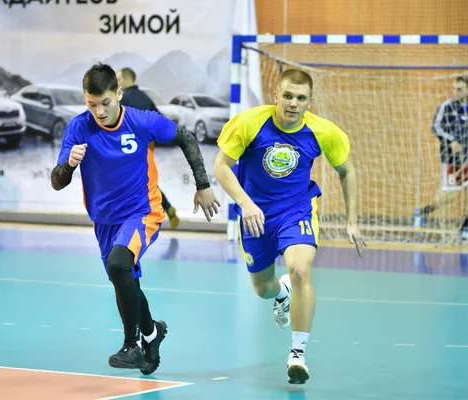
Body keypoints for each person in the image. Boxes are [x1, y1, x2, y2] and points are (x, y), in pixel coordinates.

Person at [51, 63, 220, 374]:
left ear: (119, 93)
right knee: (125, 281)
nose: (99, 112)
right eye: (91, 104)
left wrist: (203, 185)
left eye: (105, 103)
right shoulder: (78, 128)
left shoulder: (142, 122)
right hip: (104, 220)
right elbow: (57, 180)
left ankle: (132, 346)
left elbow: (185, 137)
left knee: (118, 264)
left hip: (142, 211)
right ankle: (152, 334)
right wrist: (69, 166)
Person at [214, 68, 365, 385]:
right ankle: (281, 294)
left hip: (297, 210)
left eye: (300, 98)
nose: (293, 103)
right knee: (263, 289)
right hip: (255, 214)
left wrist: (352, 221)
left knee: (300, 269)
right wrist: (246, 203)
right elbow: (222, 167)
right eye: (287, 96)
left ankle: (297, 354)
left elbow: (347, 172)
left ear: (310, 101)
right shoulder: (249, 123)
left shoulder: (324, 132)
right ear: (275, 95)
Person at [116, 67, 180, 229]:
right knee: (145, 180)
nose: (117, 82)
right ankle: (166, 207)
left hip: (127, 148)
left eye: (118, 79)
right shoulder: (145, 98)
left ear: (125, 80)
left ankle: (130, 218)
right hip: (146, 146)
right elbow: (160, 121)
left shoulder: (122, 99)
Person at [413, 75, 468, 240]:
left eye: (459, 89)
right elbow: (435, 127)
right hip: (451, 159)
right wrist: (451, 141)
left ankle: (465, 227)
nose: (455, 92)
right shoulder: (447, 107)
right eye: (454, 88)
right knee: (449, 195)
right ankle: (423, 212)